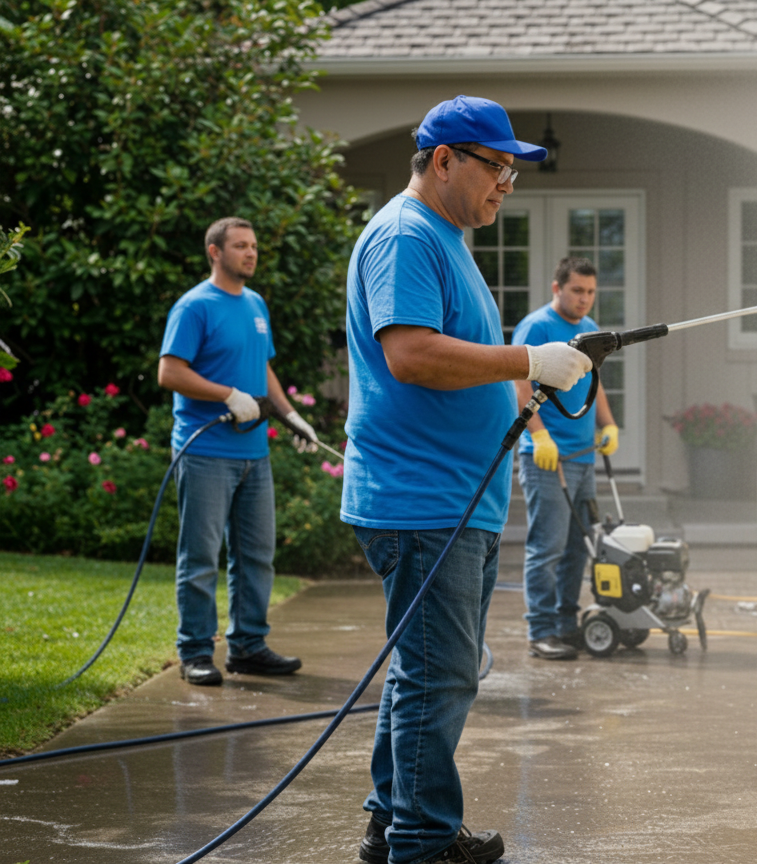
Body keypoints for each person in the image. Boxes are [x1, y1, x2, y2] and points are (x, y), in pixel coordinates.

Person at [341, 96, 592, 864]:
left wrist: (528, 382)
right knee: (440, 677)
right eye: (496, 166)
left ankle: (396, 827)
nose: (507, 183)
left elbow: (459, 358)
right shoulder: (406, 235)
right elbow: (411, 354)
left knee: (427, 674)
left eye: (513, 171)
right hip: (422, 500)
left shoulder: (444, 237)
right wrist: (527, 360)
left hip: (456, 500)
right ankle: (421, 844)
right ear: (444, 159)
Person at [158, 216, 318, 687]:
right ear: (215, 252)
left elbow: (262, 368)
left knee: (256, 555)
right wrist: (227, 394)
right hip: (205, 449)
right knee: (201, 556)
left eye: (253, 246)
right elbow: (170, 372)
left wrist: (291, 416)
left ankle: (248, 646)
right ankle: (195, 651)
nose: (250, 253)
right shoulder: (194, 307)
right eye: (240, 246)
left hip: (254, 454)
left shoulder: (255, 304)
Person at [512, 258, 619, 660]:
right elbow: (518, 380)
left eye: (590, 292)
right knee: (548, 547)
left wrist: (608, 426)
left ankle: (565, 625)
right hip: (548, 459)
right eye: (577, 291)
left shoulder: (590, 330)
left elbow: (595, 383)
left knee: (579, 545)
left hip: (582, 456)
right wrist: (538, 435)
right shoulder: (537, 327)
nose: (584, 299)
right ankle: (540, 631)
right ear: (557, 288)